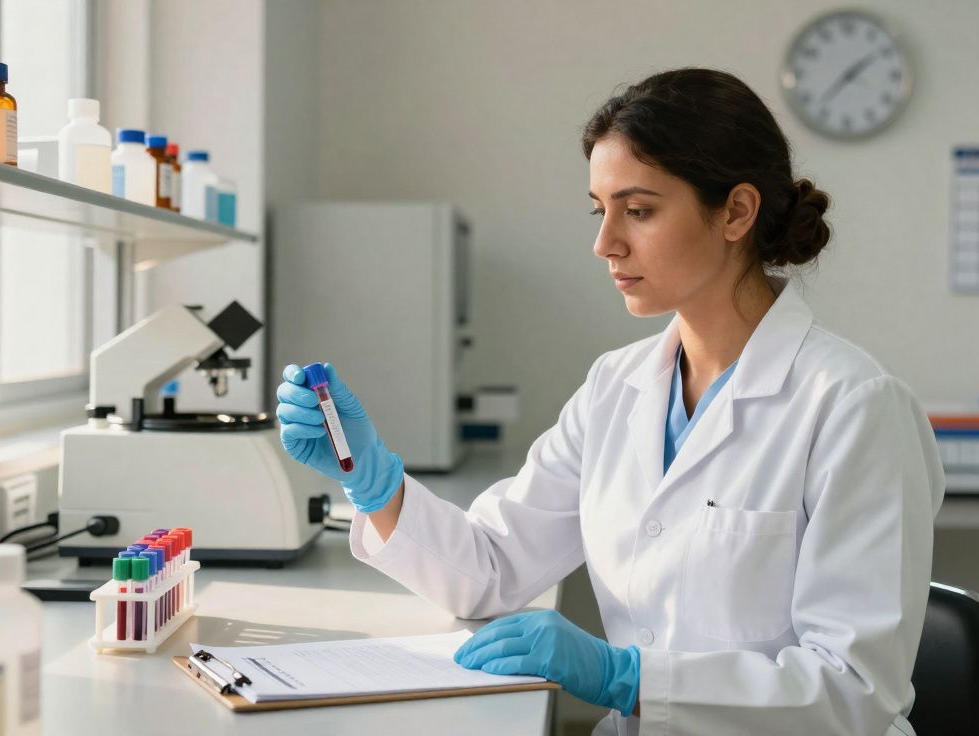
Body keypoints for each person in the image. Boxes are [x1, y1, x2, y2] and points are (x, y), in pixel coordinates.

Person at [276, 67, 944, 736]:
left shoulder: (854, 406)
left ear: (737, 212)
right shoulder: (615, 387)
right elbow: (491, 569)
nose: (605, 244)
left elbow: (853, 690)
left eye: (639, 210)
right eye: (601, 211)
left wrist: (625, 677)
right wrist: (370, 480)